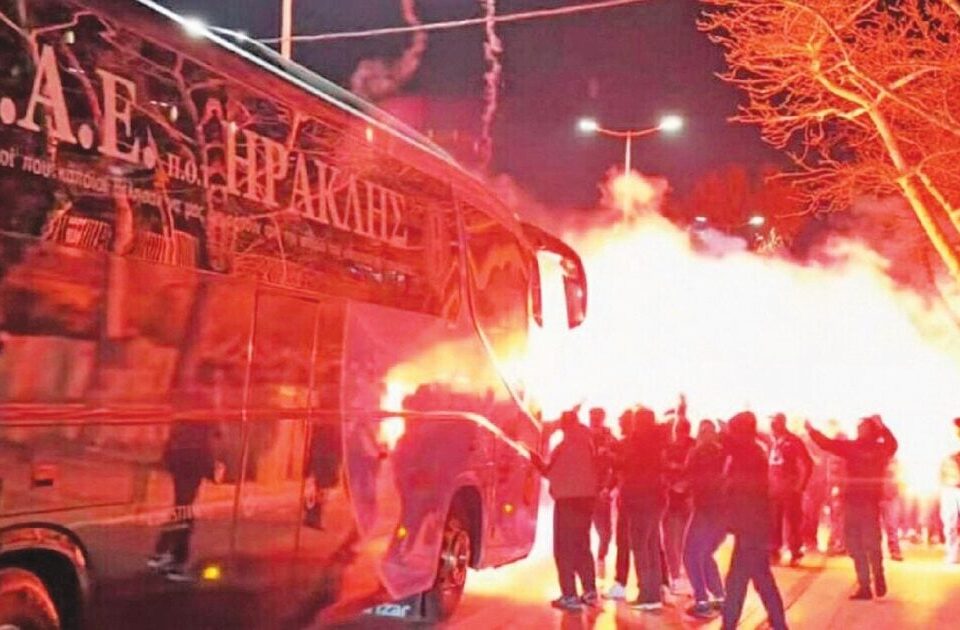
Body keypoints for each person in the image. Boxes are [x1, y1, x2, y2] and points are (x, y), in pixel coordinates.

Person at [806, 415, 898, 599]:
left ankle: (871, 580)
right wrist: (812, 431)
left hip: (863, 501)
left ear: (871, 430)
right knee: (857, 544)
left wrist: (811, 430)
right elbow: (828, 444)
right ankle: (868, 582)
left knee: (865, 543)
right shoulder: (867, 448)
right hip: (857, 501)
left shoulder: (862, 448)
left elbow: (828, 444)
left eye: (863, 427)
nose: (859, 430)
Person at [721, 412, 788, 630]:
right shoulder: (752, 451)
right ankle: (778, 622)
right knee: (760, 578)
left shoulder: (749, 453)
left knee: (738, 580)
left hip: (751, 526)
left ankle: (729, 624)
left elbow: (730, 447)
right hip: (753, 526)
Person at [533, 409, 599, 612]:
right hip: (587, 500)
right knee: (582, 545)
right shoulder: (589, 442)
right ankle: (590, 590)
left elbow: (549, 471)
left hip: (567, 501)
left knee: (564, 549)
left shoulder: (564, 446)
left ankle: (569, 595)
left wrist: (535, 459)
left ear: (564, 426)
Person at [148, 420, 224, 582]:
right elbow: (212, 434)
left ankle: (163, 553)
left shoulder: (184, 409)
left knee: (182, 507)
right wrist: (212, 466)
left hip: (180, 456)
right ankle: (174, 560)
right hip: (193, 459)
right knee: (185, 510)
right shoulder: (205, 410)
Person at [618, 407, 669, 611]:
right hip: (655, 499)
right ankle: (653, 593)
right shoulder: (658, 441)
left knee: (640, 547)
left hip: (639, 500)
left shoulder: (638, 442)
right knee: (652, 546)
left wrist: (613, 458)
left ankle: (647, 595)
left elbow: (629, 467)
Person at [683, 419, 728, 619]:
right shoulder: (724, 453)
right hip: (723, 511)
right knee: (706, 553)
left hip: (705, 509)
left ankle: (702, 601)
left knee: (691, 554)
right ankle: (720, 596)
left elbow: (688, 477)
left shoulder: (698, 453)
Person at [768, 413, 813, 566]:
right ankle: (774, 550)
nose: (772, 426)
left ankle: (795, 551)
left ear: (782, 423)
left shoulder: (793, 441)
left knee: (792, 521)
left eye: (775, 422)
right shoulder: (773, 441)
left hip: (789, 487)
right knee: (774, 520)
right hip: (774, 488)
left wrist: (801, 486)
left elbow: (807, 463)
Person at [604, 408, 635, 601]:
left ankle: (621, 584)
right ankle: (659, 584)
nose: (620, 424)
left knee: (625, 542)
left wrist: (609, 454)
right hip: (637, 499)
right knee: (649, 543)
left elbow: (619, 467)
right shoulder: (642, 444)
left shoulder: (626, 444)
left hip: (630, 499)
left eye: (622, 421)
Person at [663, 417, 695, 594]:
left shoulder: (676, 448)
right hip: (678, 499)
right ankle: (677, 576)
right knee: (675, 541)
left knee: (676, 541)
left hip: (682, 499)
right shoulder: (690, 447)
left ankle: (678, 577)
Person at [588, 407, 617, 579]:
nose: (595, 421)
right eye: (593, 417)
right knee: (582, 532)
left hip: (602, 492)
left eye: (598, 418)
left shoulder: (609, 437)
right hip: (584, 491)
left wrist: (609, 487)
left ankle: (600, 559)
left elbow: (618, 461)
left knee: (605, 533)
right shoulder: (583, 436)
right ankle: (585, 567)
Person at [940, 418, 960, 564]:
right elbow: (942, 467)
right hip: (950, 488)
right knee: (950, 523)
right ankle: (953, 555)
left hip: (954, 487)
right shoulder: (947, 445)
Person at [880, 459, 904, 562]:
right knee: (875, 527)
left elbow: (901, 478)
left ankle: (894, 551)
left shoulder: (894, 462)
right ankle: (876, 551)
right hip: (878, 497)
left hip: (891, 497)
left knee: (892, 526)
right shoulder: (876, 460)